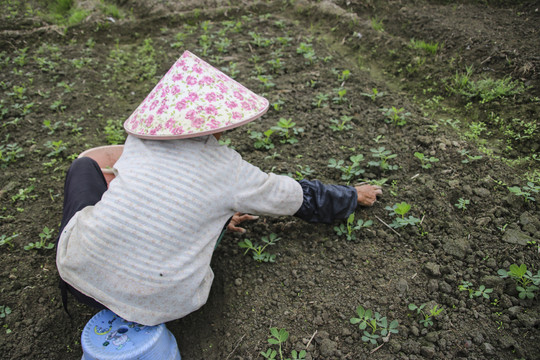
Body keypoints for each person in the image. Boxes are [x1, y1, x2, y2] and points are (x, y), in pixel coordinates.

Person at [56, 50, 382, 326]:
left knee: (85, 166)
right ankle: (218, 220)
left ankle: (102, 246)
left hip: (78, 277)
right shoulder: (230, 171)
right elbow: (293, 197)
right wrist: (350, 196)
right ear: (220, 125)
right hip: (164, 302)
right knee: (210, 205)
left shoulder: (138, 142)